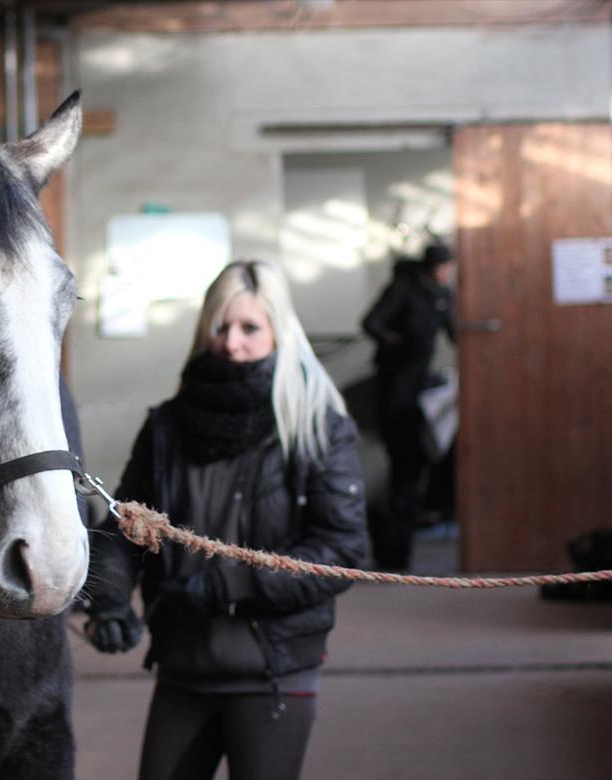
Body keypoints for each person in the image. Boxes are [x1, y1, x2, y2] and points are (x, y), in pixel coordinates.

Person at [84, 259, 368, 780]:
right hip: (183, 666)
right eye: (221, 326)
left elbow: (342, 552)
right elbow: (126, 528)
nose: (232, 343)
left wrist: (223, 587)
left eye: (250, 328)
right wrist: (108, 603)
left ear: (280, 332)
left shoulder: (318, 427)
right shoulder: (167, 426)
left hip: (272, 670)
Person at [360, 242, 455, 570]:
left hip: (418, 391)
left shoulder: (442, 295)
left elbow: (457, 333)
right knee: (404, 469)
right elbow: (371, 322)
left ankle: (397, 550)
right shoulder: (405, 288)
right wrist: (398, 345)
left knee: (413, 472)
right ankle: (392, 552)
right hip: (393, 388)